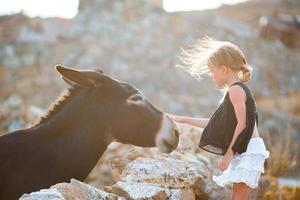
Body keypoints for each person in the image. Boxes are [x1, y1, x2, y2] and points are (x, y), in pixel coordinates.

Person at [167, 36, 270, 200]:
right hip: (245, 149)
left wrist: (229, 154)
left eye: (212, 71)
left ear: (224, 70)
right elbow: (215, 124)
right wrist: (183, 119)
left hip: (248, 150)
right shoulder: (235, 91)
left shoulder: (236, 91)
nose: (212, 76)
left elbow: (242, 124)